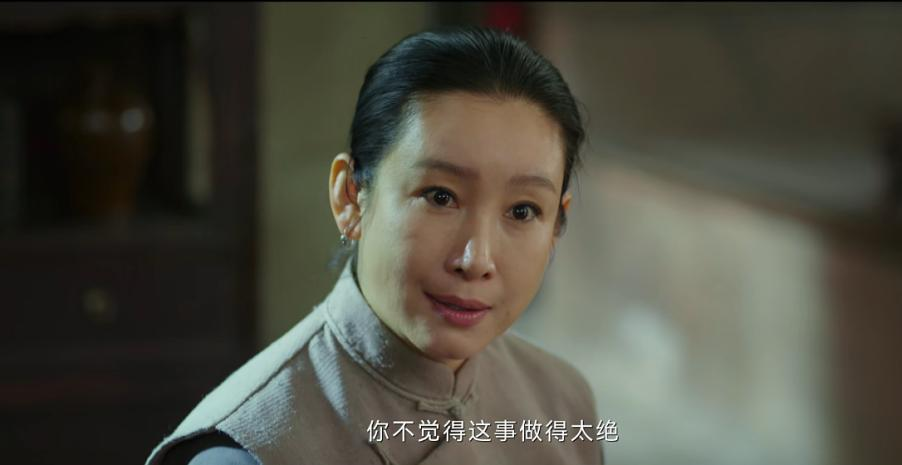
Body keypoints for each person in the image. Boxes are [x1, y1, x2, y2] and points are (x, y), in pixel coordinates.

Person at [146, 26, 603, 465]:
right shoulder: (250, 450)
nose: (476, 260)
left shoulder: (562, 403)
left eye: (522, 211)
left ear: (558, 221)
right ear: (350, 197)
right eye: (439, 197)